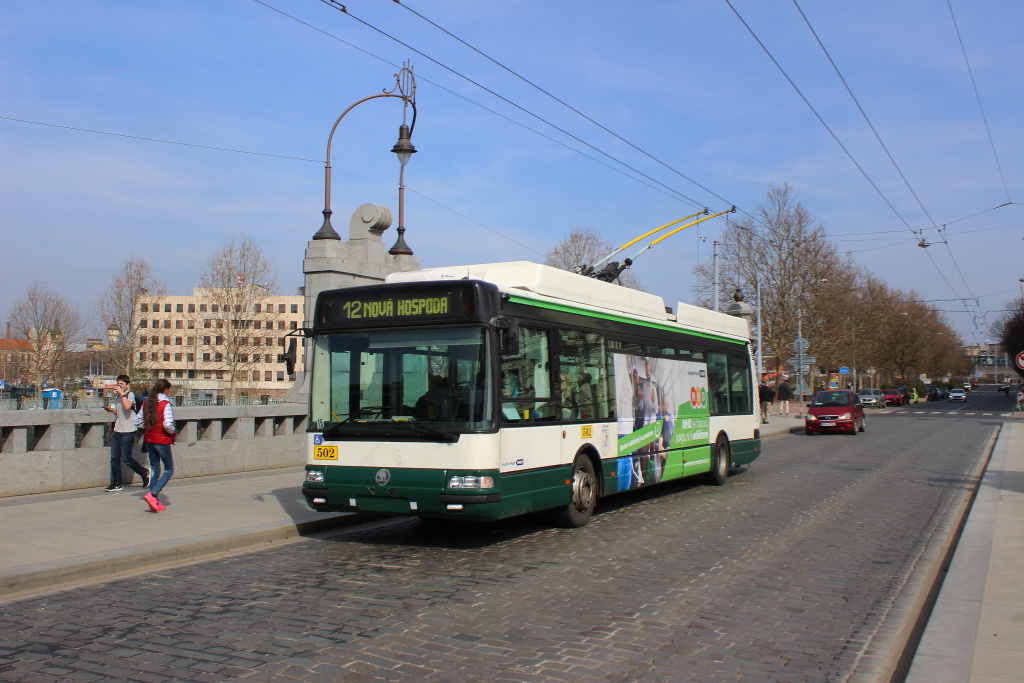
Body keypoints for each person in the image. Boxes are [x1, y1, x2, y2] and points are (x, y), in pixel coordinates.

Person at [135, 378, 176, 512]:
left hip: (149, 439)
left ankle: (153, 502)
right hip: (162, 440)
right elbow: (168, 424)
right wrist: (173, 432)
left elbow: (138, 421)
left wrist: (148, 429)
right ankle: (153, 494)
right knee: (169, 469)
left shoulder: (147, 403)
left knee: (155, 469)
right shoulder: (165, 403)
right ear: (166, 390)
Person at [104, 375, 149, 492]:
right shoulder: (118, 397)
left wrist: (122, 394)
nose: (119, 386)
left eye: (122, 384)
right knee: (114, 458)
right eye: (118, 384)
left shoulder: (130, 395)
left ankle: (144, 472)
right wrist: (111, 410)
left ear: (127, 385)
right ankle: (117, 483)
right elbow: (120, 413)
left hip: (128, 431)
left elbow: (128, 406)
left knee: (126, 458)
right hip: (117, 430)